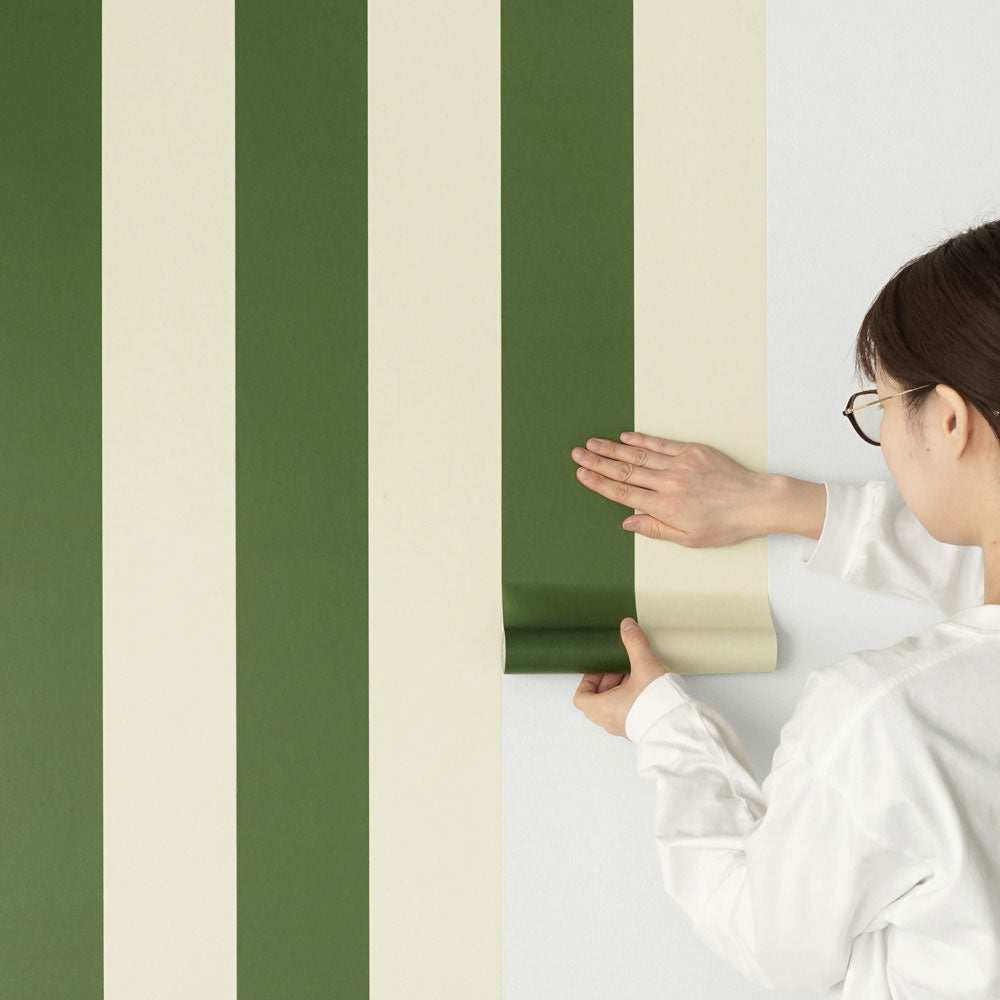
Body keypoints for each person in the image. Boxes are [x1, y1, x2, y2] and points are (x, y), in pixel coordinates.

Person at [570, 218, 1000, 998]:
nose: (884, 433)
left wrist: (667, 730)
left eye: (881, 405)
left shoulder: (890, 721)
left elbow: (768, 942)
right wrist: (779, 504)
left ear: (948, 418)